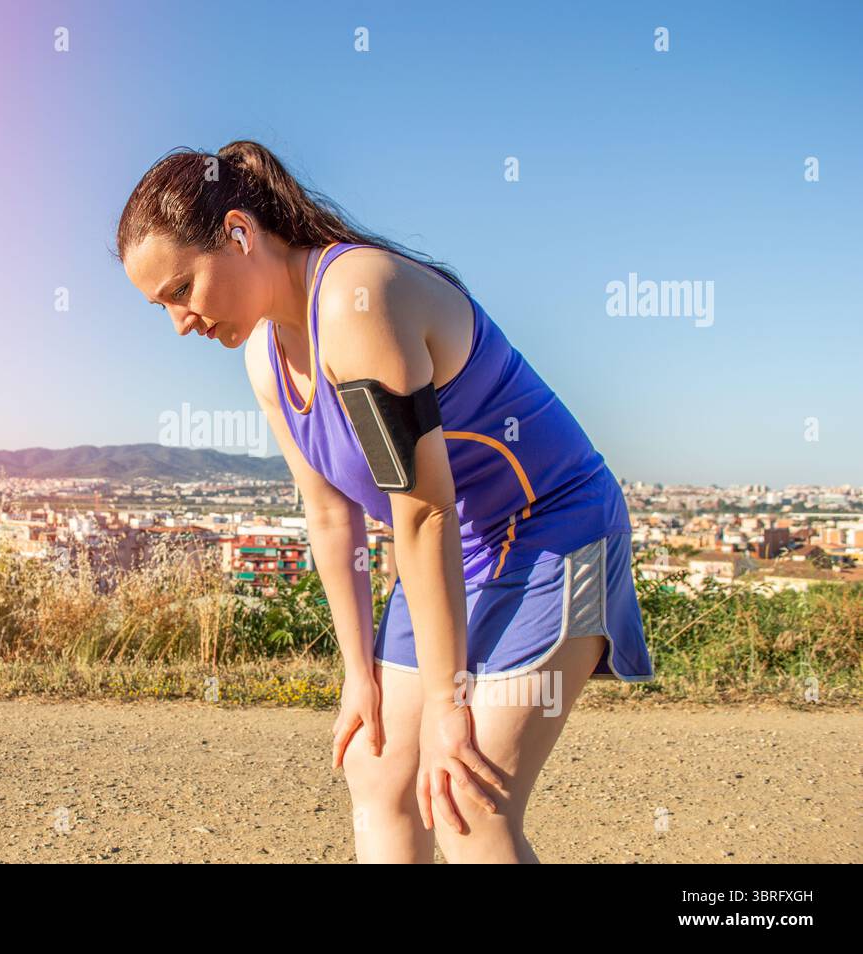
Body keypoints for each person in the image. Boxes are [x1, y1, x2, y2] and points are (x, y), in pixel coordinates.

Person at [115, 139, 654, 863]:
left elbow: (421, 511)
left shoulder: (353, 301)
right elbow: (332, 517)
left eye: (182, 290)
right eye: (161, 307)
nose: (180, 321)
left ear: (239, 233)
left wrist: (447, 705)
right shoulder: (265, 360)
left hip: (552, 527)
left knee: (465, 802)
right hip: (452, 546)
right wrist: (357, 675)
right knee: (378, 776)